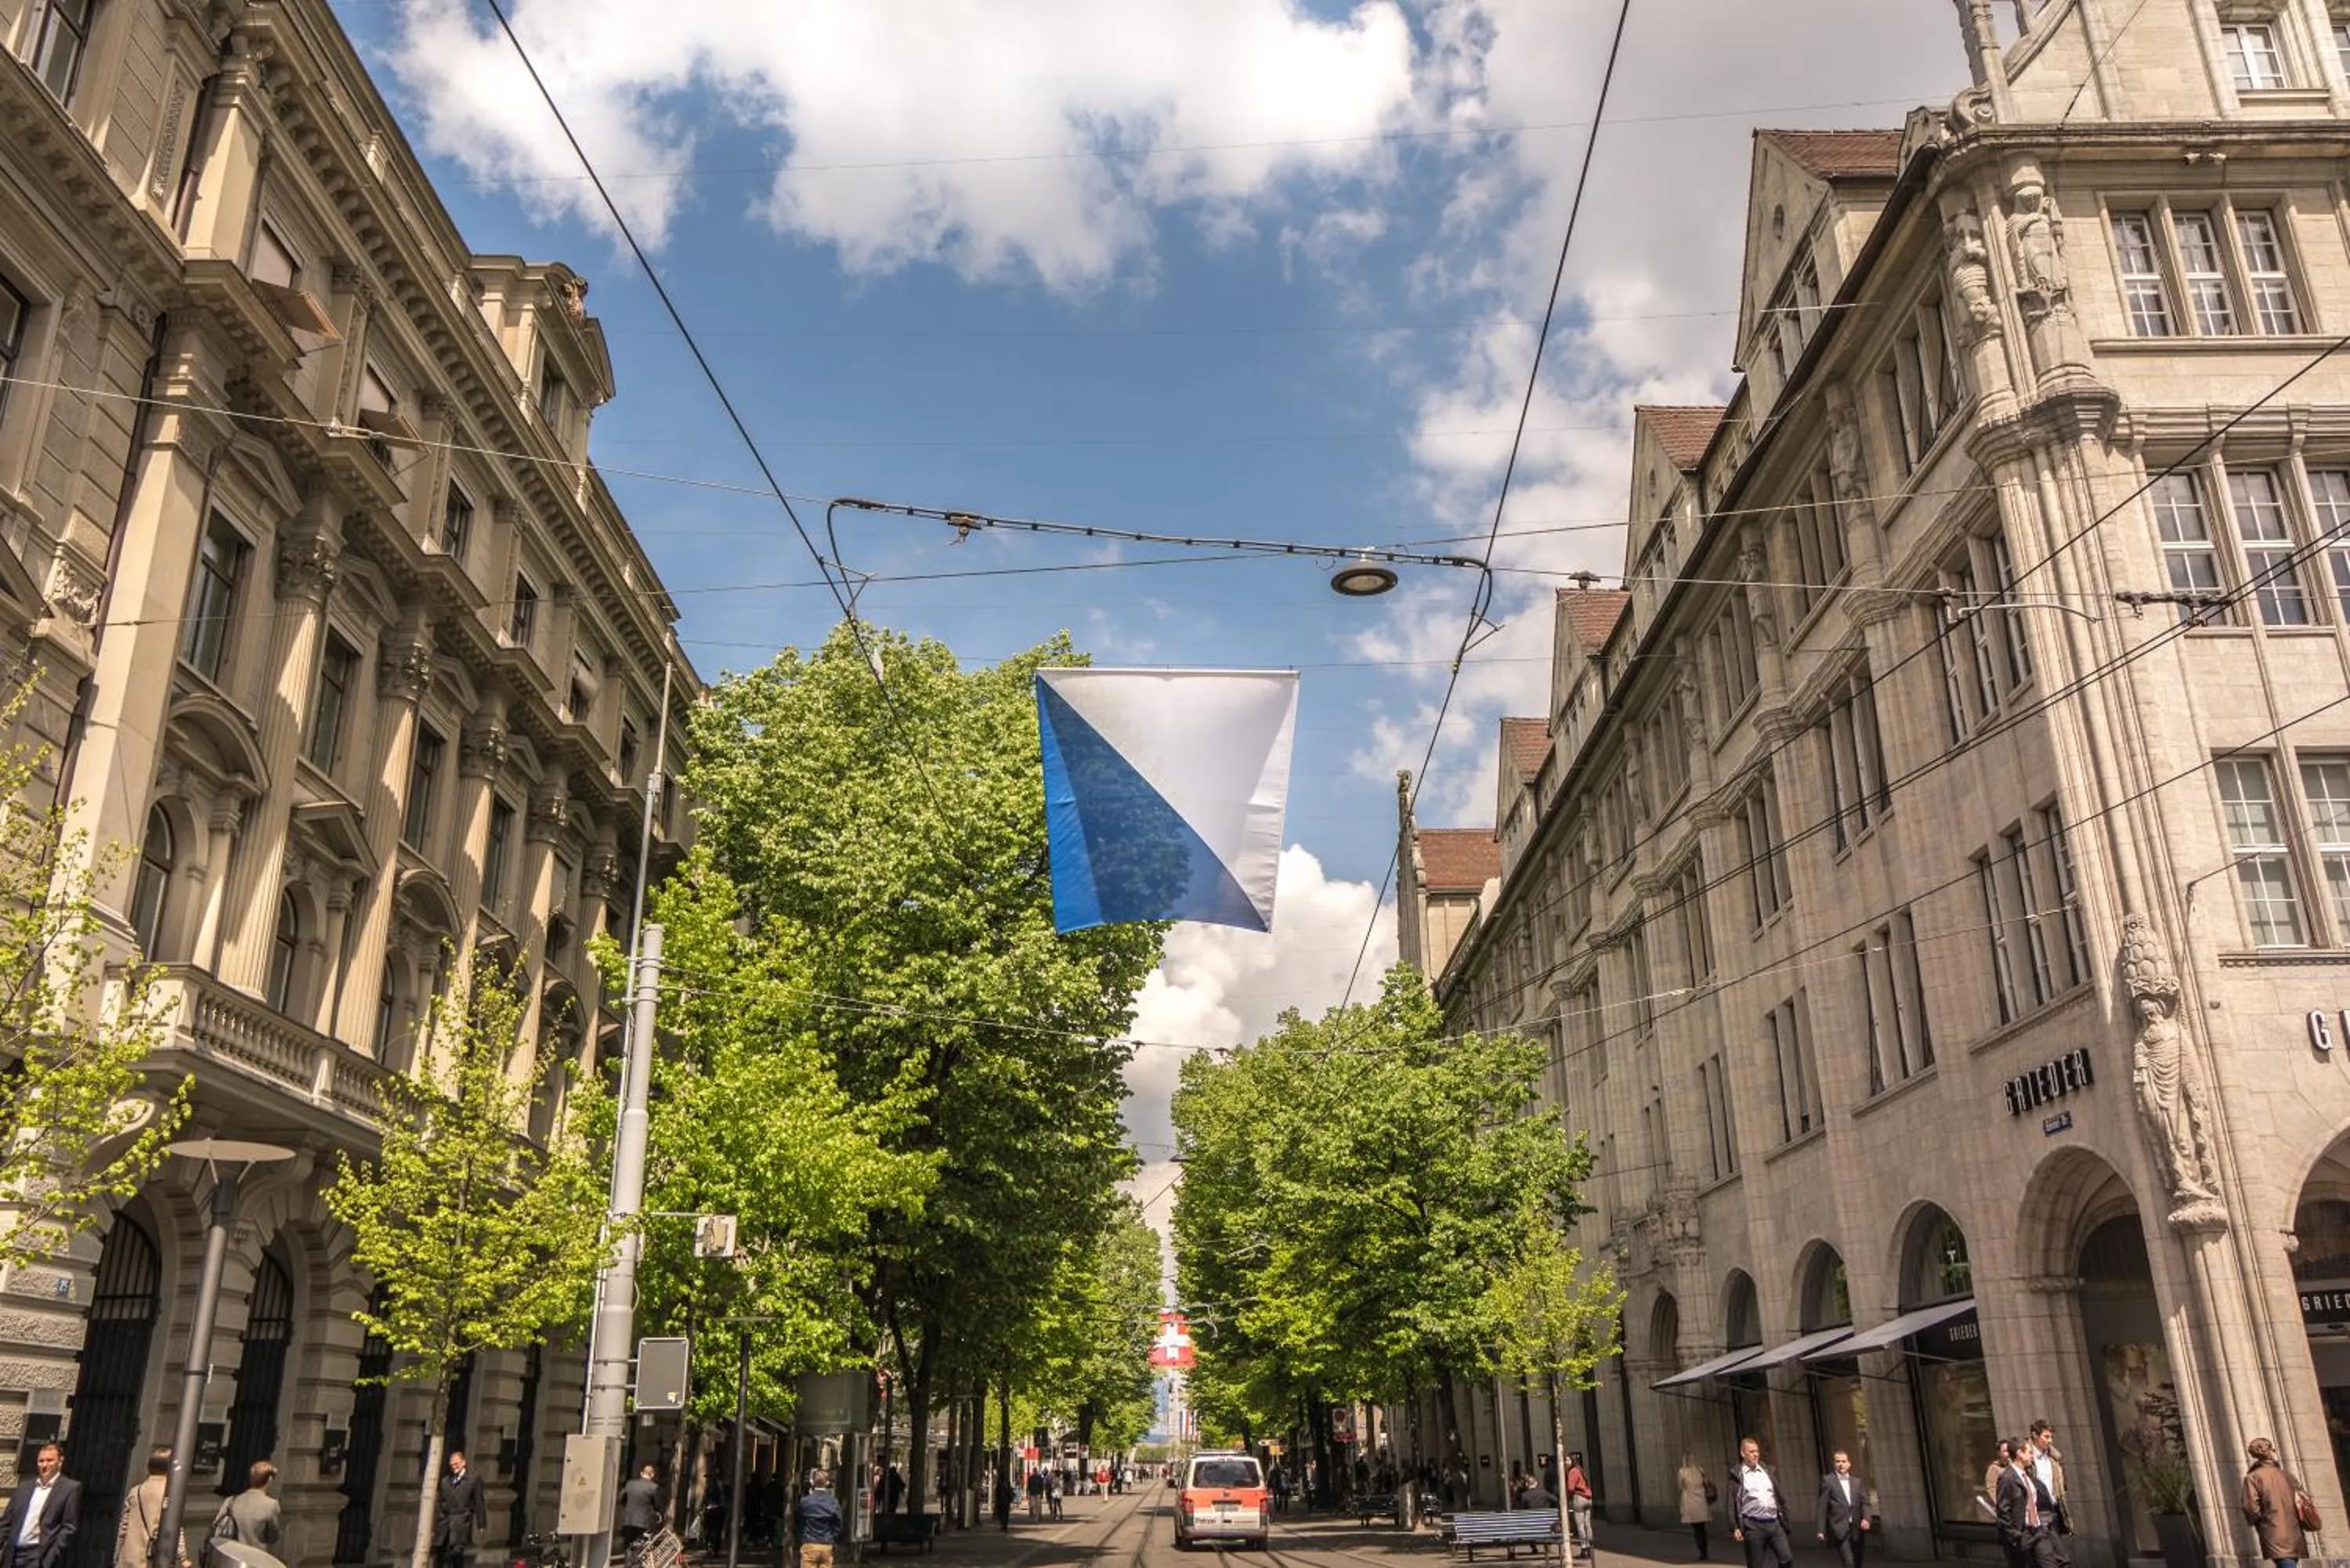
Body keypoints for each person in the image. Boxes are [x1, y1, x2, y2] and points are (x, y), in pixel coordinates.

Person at [6, 1443, 81, 1568]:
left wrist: (50, 1558)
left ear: (60, 1461)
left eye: (50, 1460)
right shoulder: (24, 1487)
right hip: (13, 1554)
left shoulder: (70, 1489)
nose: (45, 1465)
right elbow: (6, 1522)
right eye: (41, 1461)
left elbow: (69, 1527)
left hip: (38, 1556)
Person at [1994, 1436, 2063, 1568]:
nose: (2032, 1455)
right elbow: (2003, 1510)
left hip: (2038, 1530)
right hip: (2022, 1533)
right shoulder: (2007, 1478)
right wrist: (2015, 1536)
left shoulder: (2027, 1476)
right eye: (2029, 1452)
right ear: (2019, 1453)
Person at [2242, 1438, 2310, 1568]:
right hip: (2294, 1528)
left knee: (2286, 1563)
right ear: (2271, 1452)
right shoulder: (2287, 1475)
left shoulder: (2253, 1478)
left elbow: (2251, 1507)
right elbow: (2303, 1500)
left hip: (2272, 1530)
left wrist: (2260, 1521)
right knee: (2290, 1563)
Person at [114, 1448, 183, 1568]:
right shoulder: (170, 1494)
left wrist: (117, 1554)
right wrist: (183, 1557)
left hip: (130, 1557)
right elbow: (176, 1528)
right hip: (152, 1559)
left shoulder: (135, 1491)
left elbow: (123, 1527)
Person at [1730, 1438, 1794, 1568]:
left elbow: (1780, 1496)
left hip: (1774, 1523)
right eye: (1751, 1452)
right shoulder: (1737, 1475)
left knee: (1787, 1558)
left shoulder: (1767, 1471)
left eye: (1757, 1451)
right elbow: (1731, 1503)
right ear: (1743, 1454)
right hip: (1753, 1526)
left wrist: (1786, 1515)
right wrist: (1735, 1527)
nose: (1755, 1454)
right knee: (1756, 1564)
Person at [208, 1462, 281, 1563]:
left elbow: (217, 1525)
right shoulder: (271, 1505)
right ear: (269, 1480)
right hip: (254, 1560)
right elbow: (273, 1537)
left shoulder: (231, 1501)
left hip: (229, 1557)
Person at [1816, 1451, 1870, 1568]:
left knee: (1857, 1562)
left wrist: (1866, 1519)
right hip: (1839, 1528)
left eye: (1844, 1461)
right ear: (1834, 1464)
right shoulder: (1828, 1481)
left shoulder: (1857, 1482)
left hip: (1856, 1529)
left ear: (1849, 1464)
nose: (1841, 1464)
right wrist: (1821, 1530)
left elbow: (1865, 1503)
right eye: (1838, 1461)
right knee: (1849, 1562)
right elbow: (1822, 1506)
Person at [434, 1450, 486, 1568]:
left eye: (456, 1464)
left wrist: (481, 1524)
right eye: (452, 1465)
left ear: (463, 1463)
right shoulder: (445, 1481)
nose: (454, 1467)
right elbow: (440, 1502)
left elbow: (479, 1501)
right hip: (445, 1521)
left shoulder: (473, 1479)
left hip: (461, 1521)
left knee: (456, 1552)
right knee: (440, 1552)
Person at [2027, 1422, 2070, 1537]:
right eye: (2046, 1437)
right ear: (2035, 1435)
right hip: (2037, 1511)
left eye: (2051, 1437)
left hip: (2054, 1509)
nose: (2050, 1440)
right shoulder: (2027, 1459)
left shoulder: (2053, 1458)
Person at [795, 1472, 843, 1568]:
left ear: (812, 1482)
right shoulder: (833, 1502)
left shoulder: (805, 1501)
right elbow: (838, 1523)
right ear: (827, 1483)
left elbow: (799, 1520)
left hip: (810, 1543)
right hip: (826, 1544)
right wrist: (832, 1536)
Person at [1676, 1455, 1716, 1562]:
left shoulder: (1682, 1472)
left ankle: (1701, 1552)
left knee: (1696, 1529)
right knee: (1702, 1528)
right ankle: (1705, 1551)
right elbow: (1706, 1483)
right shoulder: (1700, 1470)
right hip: (1701, 1501)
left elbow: (1680, 1486)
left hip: (1690, 1501)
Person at [618, 1464, 662, 1558]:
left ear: (642, 1473)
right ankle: (635, 1564)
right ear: (652, 1475)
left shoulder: (630, 1484)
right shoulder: (654, 1487)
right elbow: (657, 1505)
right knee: (639, 1546)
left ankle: (628, 1563)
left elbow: (621, 1499)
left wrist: (628, 1508)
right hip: (643, 1521)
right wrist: (657, 1513)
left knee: (628, 1544)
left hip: (628, 1520)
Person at [1564, 1453, 1595, 1559]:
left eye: (1567, 1460)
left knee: (1580, 1525)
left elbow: (1571, 1488)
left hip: (1579, 1498)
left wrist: (1567, 1498)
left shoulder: (1572, 1472)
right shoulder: (1580, 1470)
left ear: (1572, 1461)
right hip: (1588, 1498)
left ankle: (1584, 1548)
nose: (1566, 1463)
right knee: (1588, 1524)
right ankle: (1591, 1546)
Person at [1981, 1441, 2012, 1523]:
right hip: (2004, 1508)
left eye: (2009, 1450)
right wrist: (1999, 1505)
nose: (2008, 1453)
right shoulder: (1994, 1468)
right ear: (1999, 1453)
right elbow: (1991, 1488)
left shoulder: (2013, 1466)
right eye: (2005, 1451)